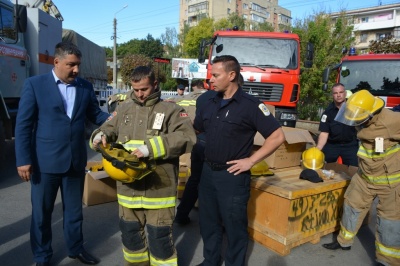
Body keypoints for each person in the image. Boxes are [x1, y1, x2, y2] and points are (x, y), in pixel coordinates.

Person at [15, 42, 110, 266]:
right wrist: (23, 160)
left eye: (78, 65)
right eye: (71, 65)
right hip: (44, 163)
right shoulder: (35, 85)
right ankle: (42, 256)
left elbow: (96, 115)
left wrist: (118, 118)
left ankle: (76, 248)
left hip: (75, 161)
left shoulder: (84, 87)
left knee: (75, 212)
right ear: (56, 62)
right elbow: (23, 126)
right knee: (41, 215)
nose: (76, 70)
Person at [90, 66, 196, 266]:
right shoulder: (124, 108)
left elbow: (187, 137)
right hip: (128, 191)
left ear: (155, 84)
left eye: (144, 89)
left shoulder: (171, 110)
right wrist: (99, 136)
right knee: (131, 240)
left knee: (160, 241)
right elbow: (106, 129)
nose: (139, 94)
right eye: (135, 89)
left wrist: (150, 148)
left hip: (159, 190)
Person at [193, 55, 285, 266]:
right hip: (208, 173)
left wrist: (250, 161)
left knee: (234, 226)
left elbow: (277, 136)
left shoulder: (251, 105)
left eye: (216, 75)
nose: (211, 80)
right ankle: (211, 261)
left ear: (232, 75)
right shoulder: (209, 102)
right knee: (209, 223)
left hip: (232, 176)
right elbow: (197, 128)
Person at [322, 90, 400, 266]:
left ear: (371, 113)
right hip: (364, 176)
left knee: (389, 222)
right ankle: (344, 241)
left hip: (391, 182)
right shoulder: (362, 121)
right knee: (351, 207)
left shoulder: (393, 121)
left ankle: (387, 261)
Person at [174, 79, 216, 225]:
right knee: (214, 183)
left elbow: (197, 123)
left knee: (194, 180)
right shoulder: (227, 99)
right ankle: (212, 221)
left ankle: (181, 214)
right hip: (215, 145)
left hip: (199, 141)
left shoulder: (203, 98)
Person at [316, 83, 358, 166]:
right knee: (323, 167)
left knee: (354, 170)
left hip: (350, 145)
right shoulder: (328, 112)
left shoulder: (353, 110)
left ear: (345, 94)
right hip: (332, 145)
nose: (338, 95)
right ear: (332, 95)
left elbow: (360, 128)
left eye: (341, 92)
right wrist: (318, 149)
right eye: (335, 93)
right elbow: (324, 133)